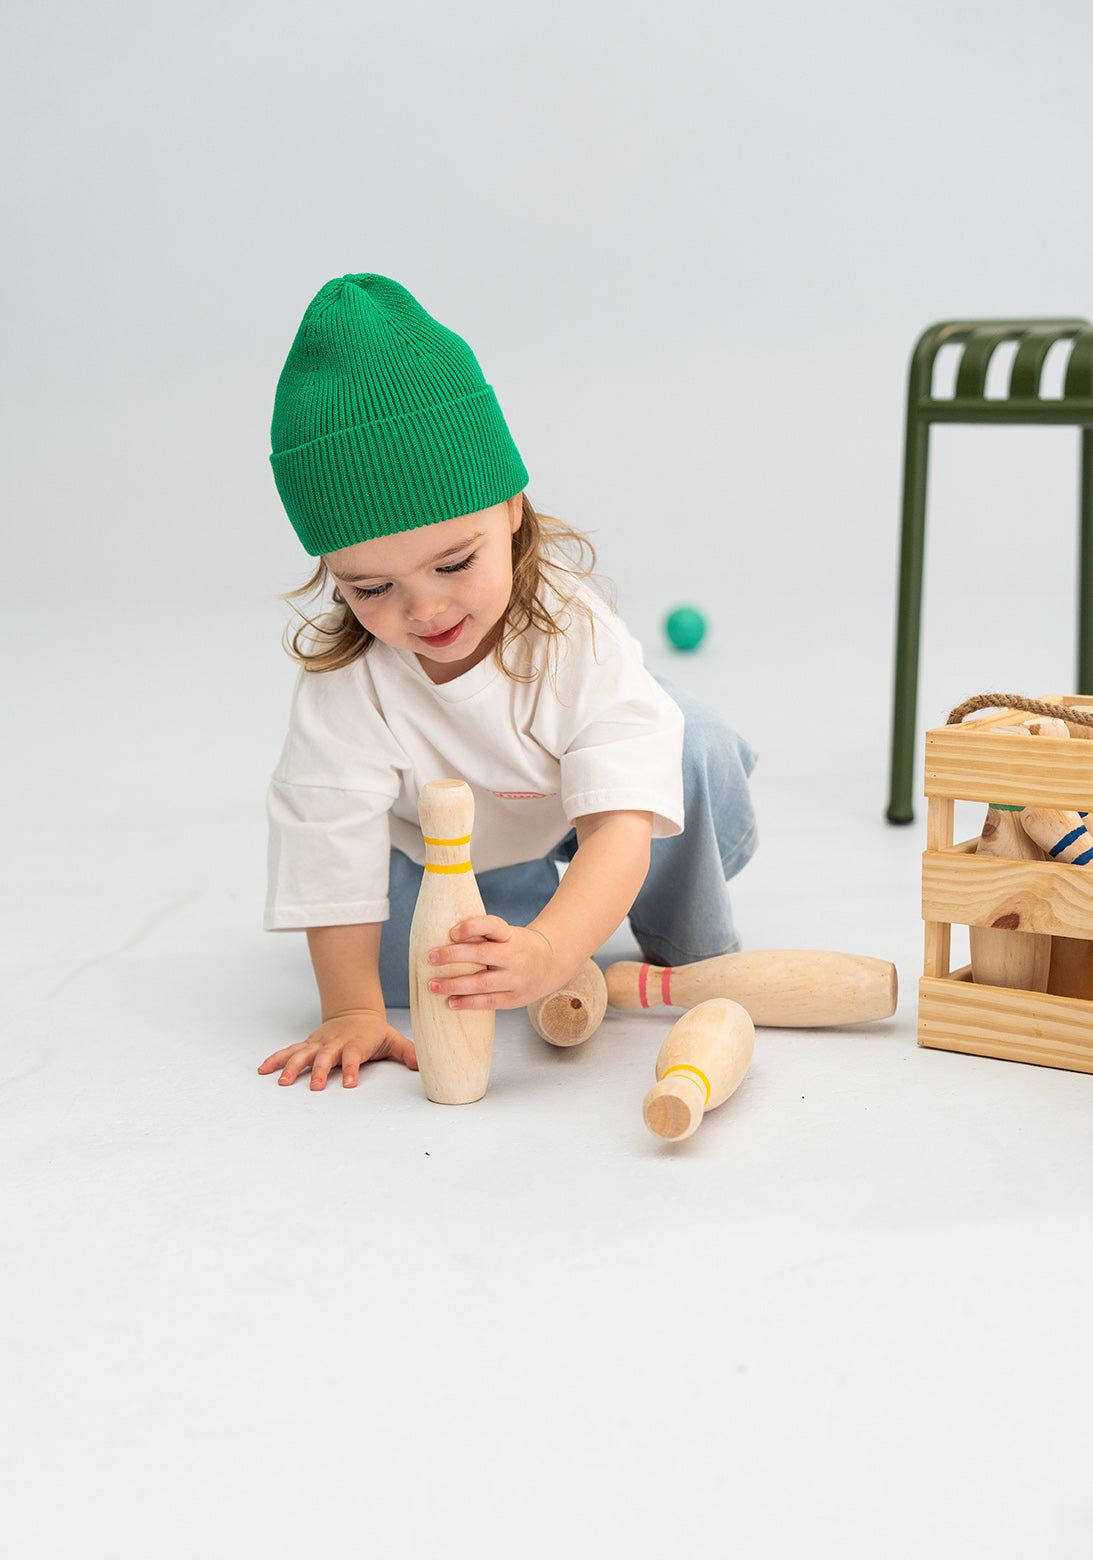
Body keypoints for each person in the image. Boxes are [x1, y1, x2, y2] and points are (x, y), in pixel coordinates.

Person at [258, 274, 757, 1091]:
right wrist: (351, 1010)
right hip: (450, 846)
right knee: (409, 979)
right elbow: (328, 845)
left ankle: (683, 935)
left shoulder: (571, 628)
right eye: (369, 588)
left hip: (574, 799)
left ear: (513, 507)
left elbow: (622, 819)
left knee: (683, 745)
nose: (424, 608)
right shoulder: (349, 684)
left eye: (454, 562)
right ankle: (518, 904)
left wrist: (560, 953)